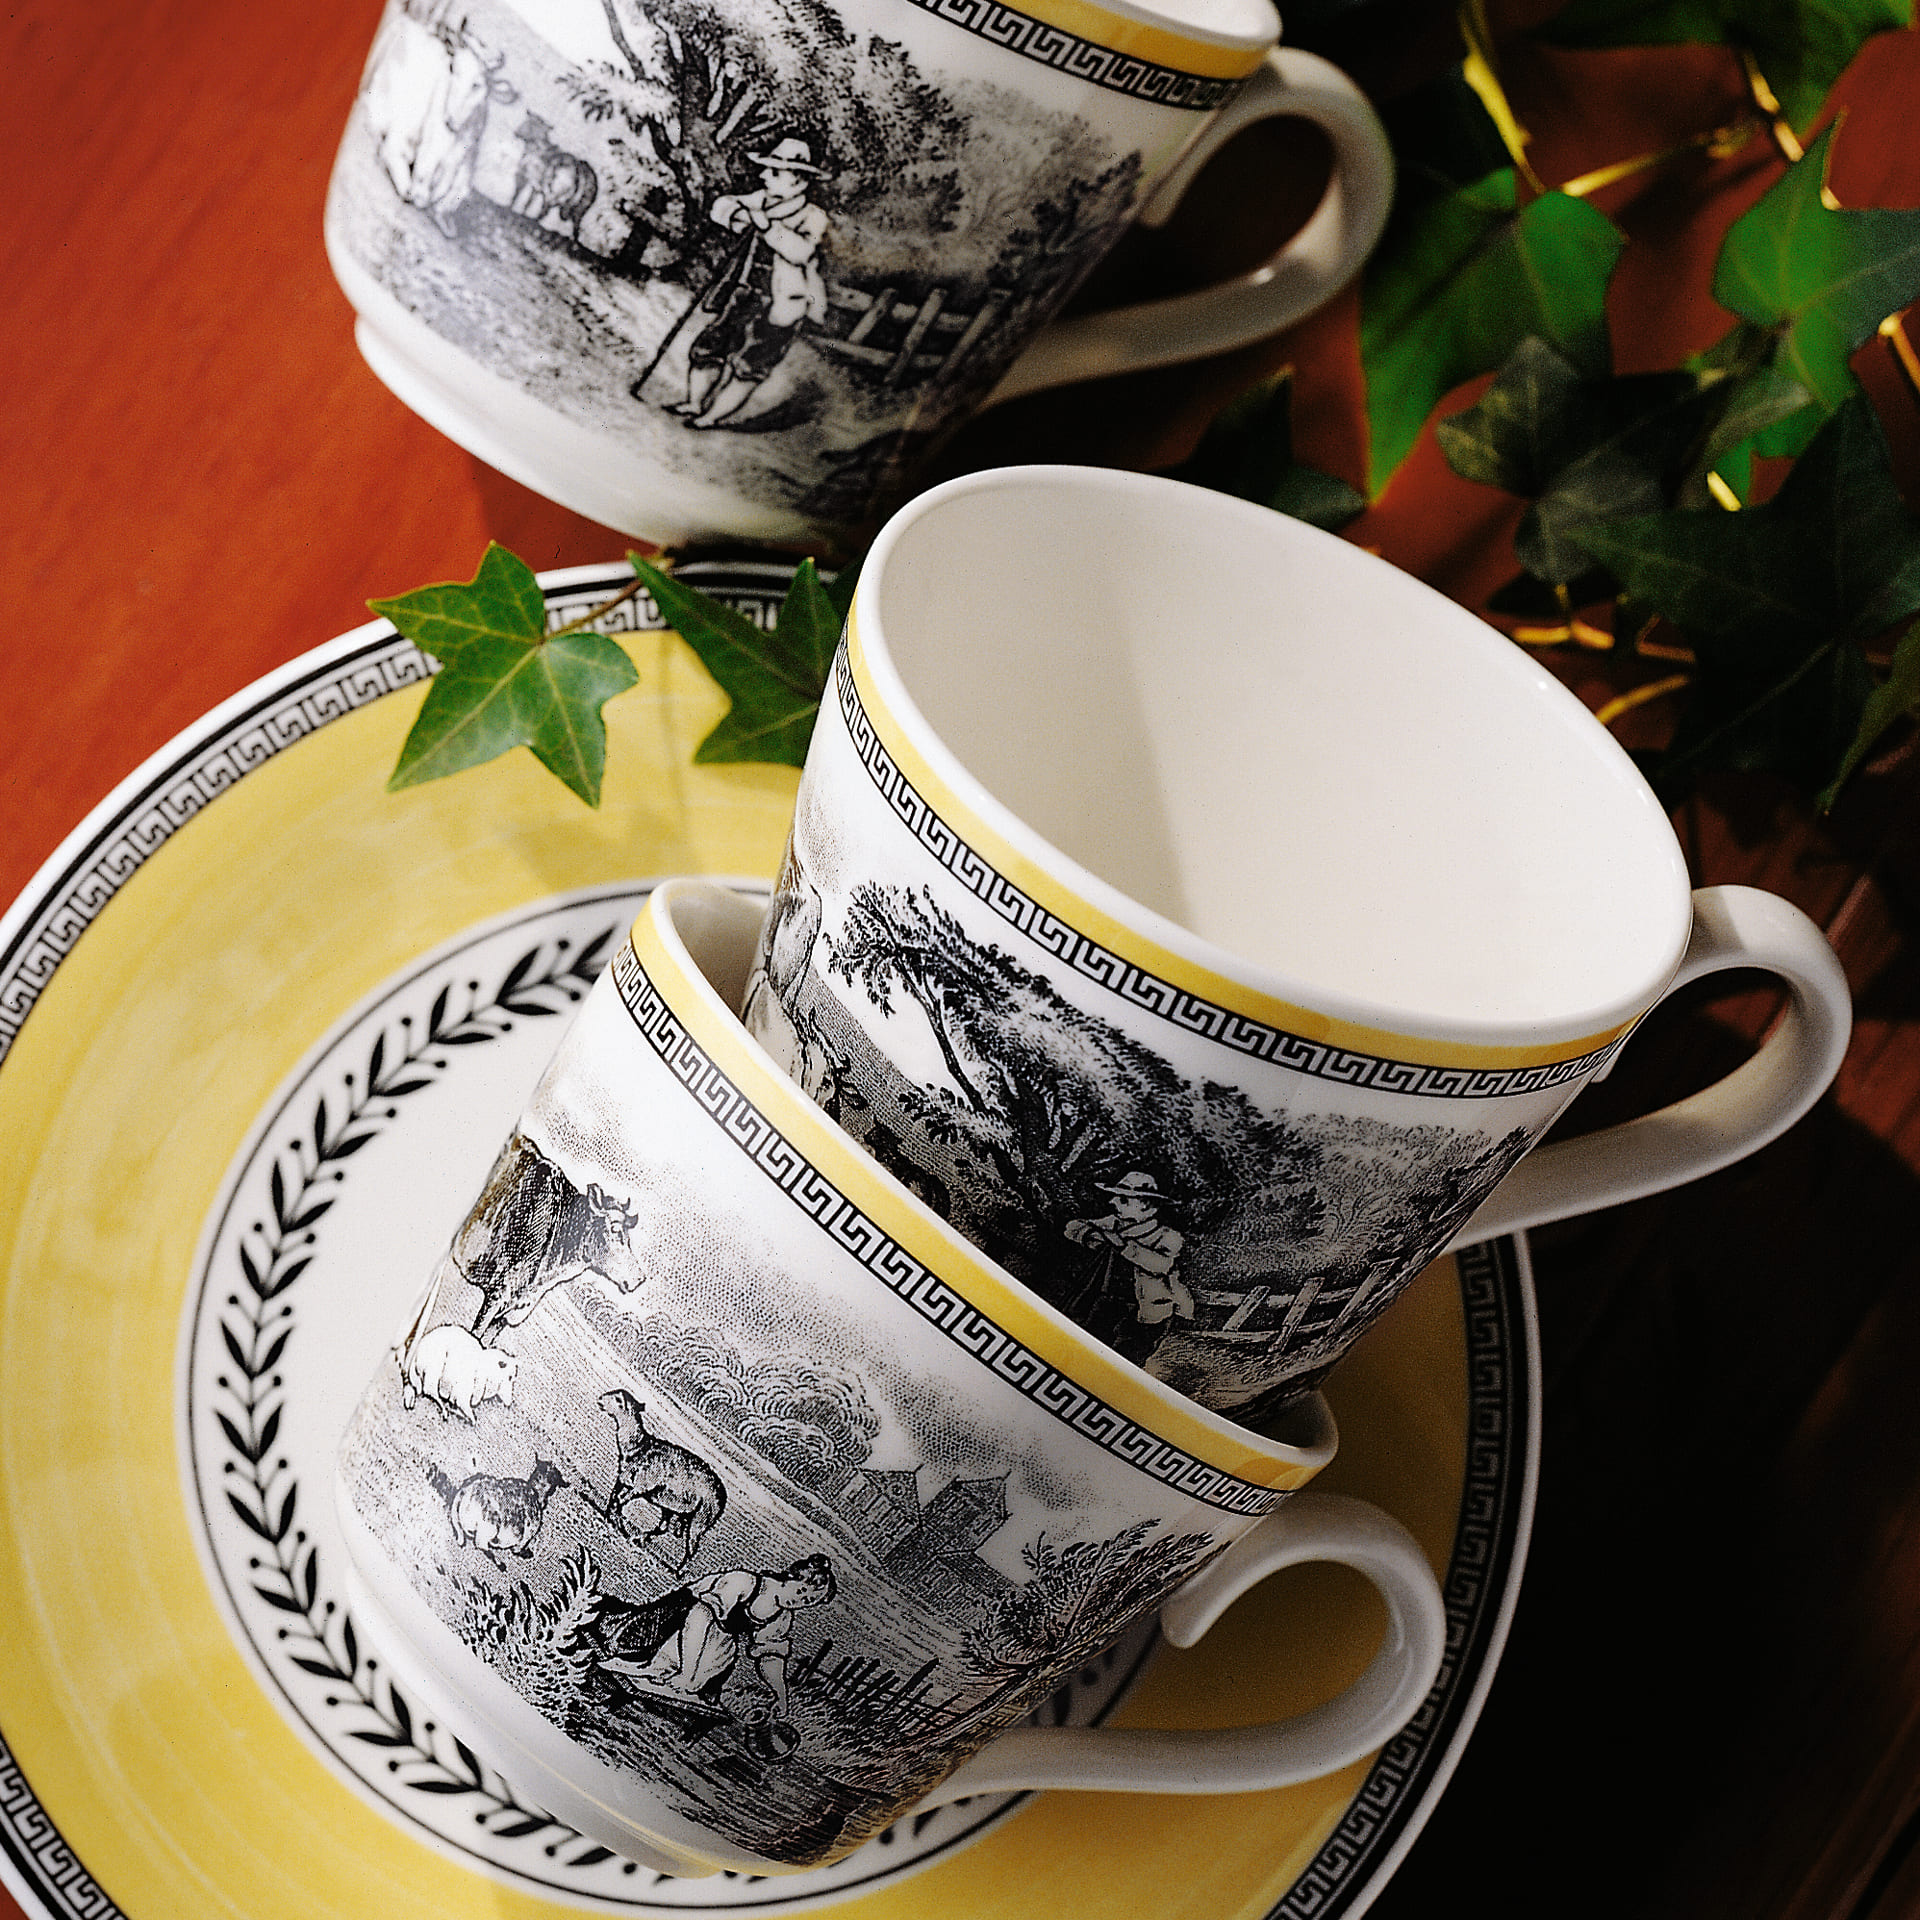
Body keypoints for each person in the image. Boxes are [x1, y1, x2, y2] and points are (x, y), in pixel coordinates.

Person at [668, 136, 830, 429]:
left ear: (799, 181)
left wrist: (766, 225)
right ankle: (694, 401)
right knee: (710, 345)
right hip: (744, 292)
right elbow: (721, 207)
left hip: (782, 303)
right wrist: (741, 215)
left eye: (775, 172)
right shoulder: (761, 199)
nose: (764, 175)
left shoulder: (813, 216)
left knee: (751, 363)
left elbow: (800, 252)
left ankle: (712, 417)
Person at [601, 1554, 836, 1720]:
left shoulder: (781, 1617)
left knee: (705, 1676)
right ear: (792, 1576)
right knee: (656, 1664)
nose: (799, 1601)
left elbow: (770, 1657)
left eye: (808, 1601)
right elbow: (699, 1616)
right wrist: (687, 1672)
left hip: (714, 1639)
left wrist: (781, 1695)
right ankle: (647, 1669)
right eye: (801, 1591)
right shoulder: (744, 1582)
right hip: (676, 1620)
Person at [1064, 1170, 1197, 1366]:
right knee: (1085, 1346)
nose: (1113, 1202)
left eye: (1123, 1199)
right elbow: (1071, 1228)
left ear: (1145, 1204)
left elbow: (1161, 1265)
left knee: (1125, 1360)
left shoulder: (1168, 1236)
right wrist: (1097, 1236)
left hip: (1148, 1311)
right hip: (1109, 1301)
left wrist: (1122, 1245)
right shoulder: (1114, 1223)